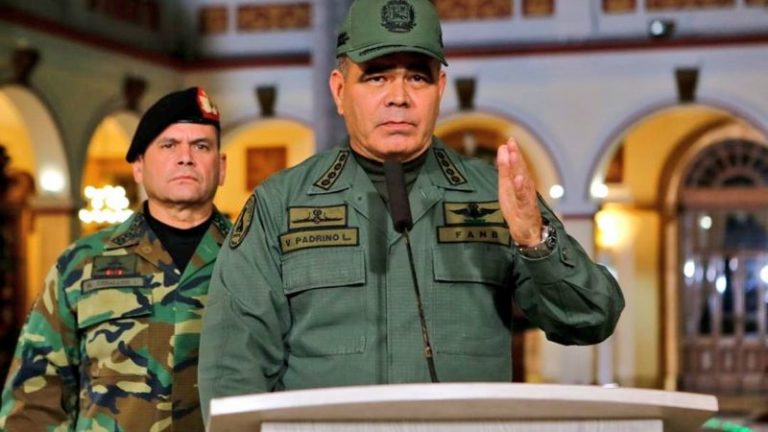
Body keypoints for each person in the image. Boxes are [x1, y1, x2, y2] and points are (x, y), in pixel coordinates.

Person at [199, 0, 624, 421]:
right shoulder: (281, 204)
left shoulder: (496, 197)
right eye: (377, 77)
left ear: (440, 88)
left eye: (417, 78)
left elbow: (591, 319)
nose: (399, 97)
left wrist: (535, 242)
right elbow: (233, 367)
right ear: (340, 90)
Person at [0, 87, 230, 431]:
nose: (186, 157)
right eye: (169, 145)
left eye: (201, 146)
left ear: (221, 167)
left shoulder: (256, 256)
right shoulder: (81, 264)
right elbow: (35, 396)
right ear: (138, 167)